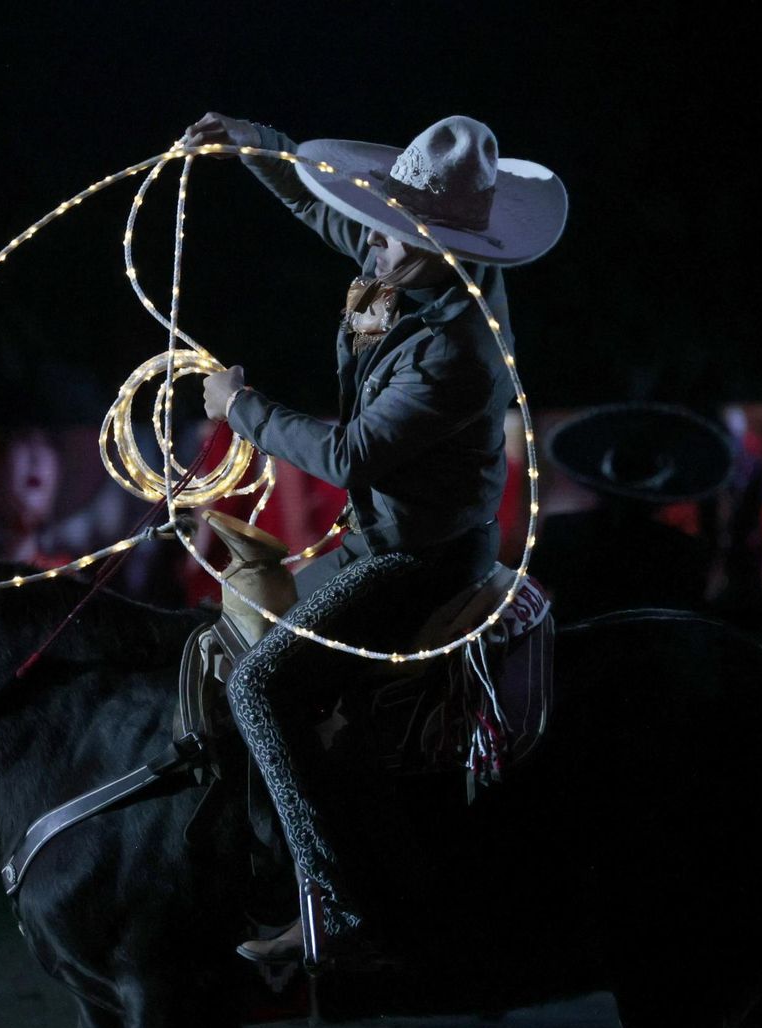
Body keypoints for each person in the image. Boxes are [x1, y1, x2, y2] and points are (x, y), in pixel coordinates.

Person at [181, 111, 567, 963]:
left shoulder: (459, 349)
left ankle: (342, 912)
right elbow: (322, 208)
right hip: (382, 537)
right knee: (245, 640)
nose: (376, 248)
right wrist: (245, 144)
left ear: (447, 248)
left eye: (397, 239)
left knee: (261, 688)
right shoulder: (413, 265)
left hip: (417, 560)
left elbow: (349, 452)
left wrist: (237, 410)